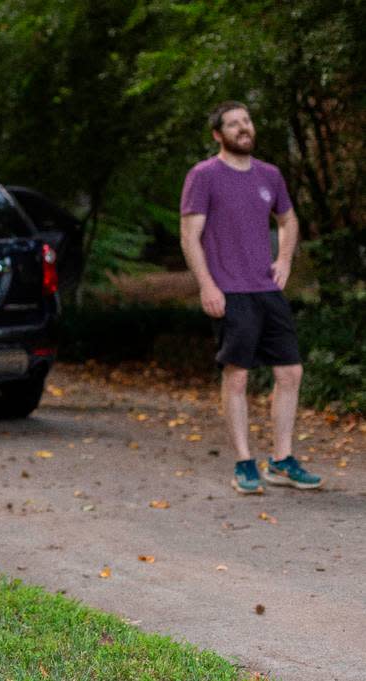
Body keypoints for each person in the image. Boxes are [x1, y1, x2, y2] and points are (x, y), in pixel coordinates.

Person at [180, 100, 322, 495]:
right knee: (238, 375)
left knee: (290, 372)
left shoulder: (270, 175)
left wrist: (285, 261)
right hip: (230, 290)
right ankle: (245, 462)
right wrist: (207, 284)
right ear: (217, 134)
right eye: (233, 124)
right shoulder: (203, 176)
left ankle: (282, 460)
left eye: (247, 121)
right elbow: (190, 235)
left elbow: (288, 219)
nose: (244, 128)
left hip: (267, 289)